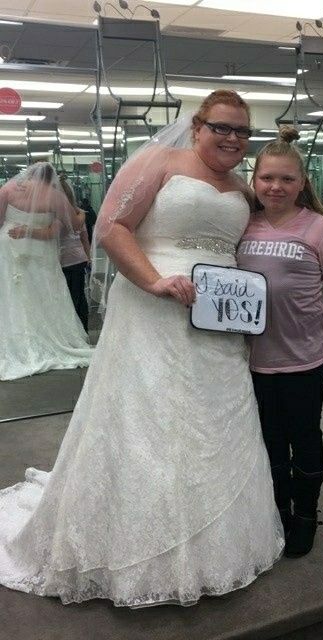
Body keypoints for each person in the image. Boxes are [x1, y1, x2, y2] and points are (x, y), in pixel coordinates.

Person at [0, 91, 287, 608]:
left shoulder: (242, 186)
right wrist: (154, 281)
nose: (232, 139)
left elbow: (278, 219)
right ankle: (138, 549)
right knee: (150, 420)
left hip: (217, 318)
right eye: (221, 127)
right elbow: (112, 227)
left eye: (242, 132)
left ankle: (215, 544)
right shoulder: (161, 160)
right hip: (153, 307)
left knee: (214, 421)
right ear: (197, 126)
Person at [237, 127, 323, 558]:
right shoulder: (242, 223)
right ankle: (279, 510)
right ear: (253, 179)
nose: (276, 186)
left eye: (287, 179)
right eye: (267, 177)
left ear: (302, 182)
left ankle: (305, 513)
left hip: (304, 357)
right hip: (252, 358)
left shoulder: (320, 228)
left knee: (303, 436)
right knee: (269, 440)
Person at [0, 162, 92, 381]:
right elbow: (75, 225)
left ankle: (14, 339)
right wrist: (81, 214)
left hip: (8, 246)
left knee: (12, 294)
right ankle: (47, 337)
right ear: (51, 179)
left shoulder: (8, 189)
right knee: (42, 293)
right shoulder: (55, 196)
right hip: (40, 251)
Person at [59, 175, 91, 333]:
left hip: (66, 261)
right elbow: (84, 239)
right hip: (76, 259)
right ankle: (82, 331)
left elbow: (84, 238)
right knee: (78, 297)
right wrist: (88, 258)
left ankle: (77, 331)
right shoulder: (77, 213)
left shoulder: (57, 214)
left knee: (70, 299)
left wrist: (88, 258)